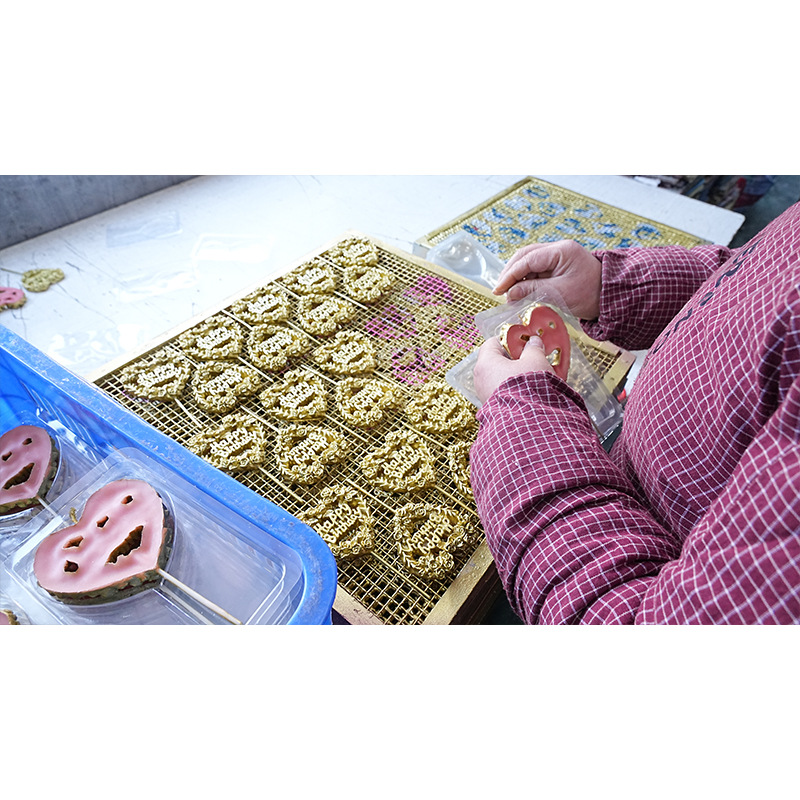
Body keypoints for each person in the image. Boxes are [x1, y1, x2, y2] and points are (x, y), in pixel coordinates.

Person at [470, 201, 800, 624]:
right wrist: (609, 286)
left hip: (600, 551)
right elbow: (758, 278)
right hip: (618, 487)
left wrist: (524, 421)